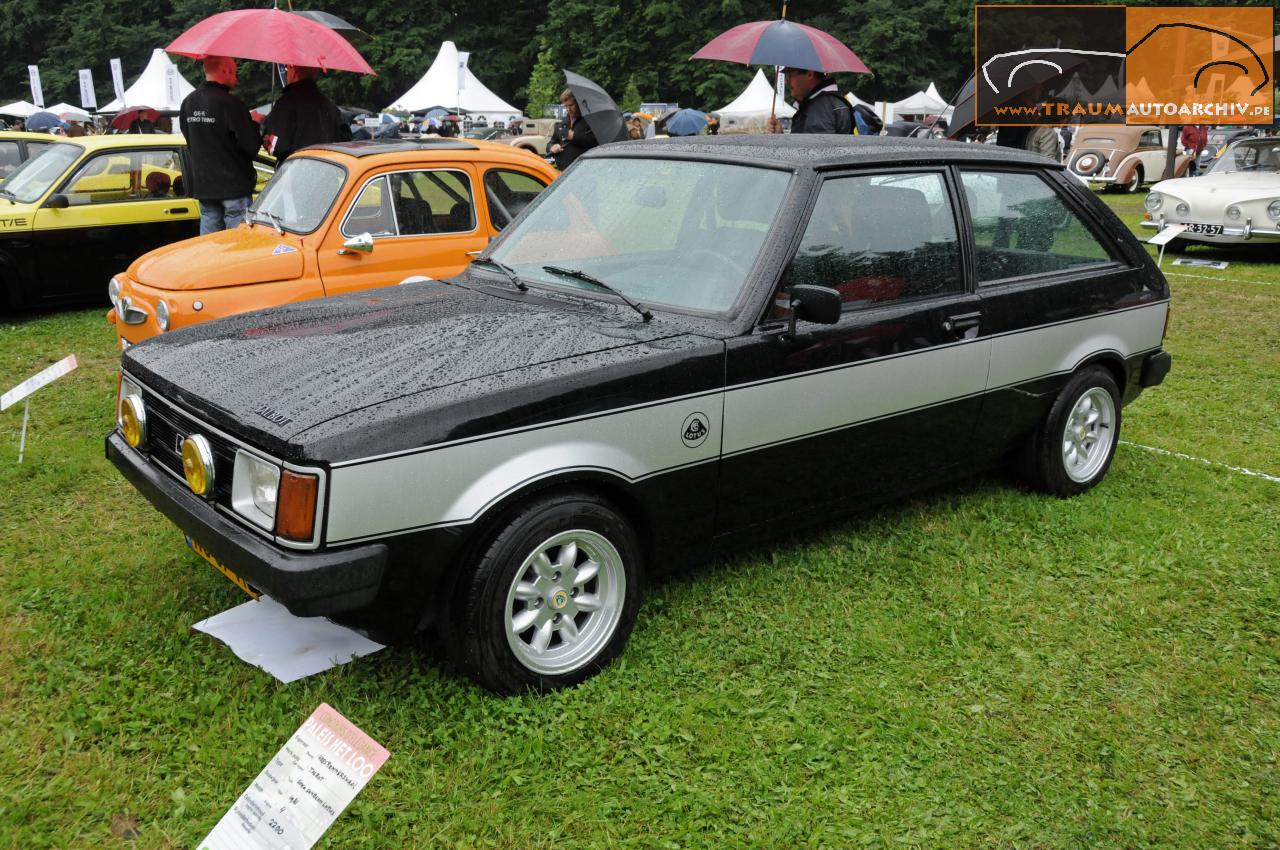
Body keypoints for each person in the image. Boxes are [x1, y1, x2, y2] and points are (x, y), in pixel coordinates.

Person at [179, 56, 260, 235]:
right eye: (235, 72)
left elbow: (189, 138)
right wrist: (253, 124)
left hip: (205, 187)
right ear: (225, 70)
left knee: (210, 249)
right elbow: (250, 147)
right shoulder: (231, 104)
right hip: (233, 188)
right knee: (238, 247)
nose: (236, 78)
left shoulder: (188, 102)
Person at [262, 66, 348, 162]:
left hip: (297, 171)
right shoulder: (329, 105)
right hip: (327, 170)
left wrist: (264, 128)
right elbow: (345, 140)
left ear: (293, 71)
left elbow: (278, 147)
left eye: (287, 68)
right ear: (315, 73)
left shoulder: (286, 103)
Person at [766, 67, 852, 134]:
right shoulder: (829, 102)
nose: (786, 82)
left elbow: (811, 154)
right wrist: (780, 135)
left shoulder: (820, 108)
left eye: (790, 76)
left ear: (809, 74)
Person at [548, 89, 597, 169]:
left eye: (571, 105)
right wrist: (552, 147)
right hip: (563, 171)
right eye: (565, 106)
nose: (568, 109)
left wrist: (574, 137)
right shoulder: (562, 123)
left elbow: (594, 142)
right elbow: (550, 143)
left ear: (578, 104)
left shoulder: (589, 121)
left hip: (583, 170)